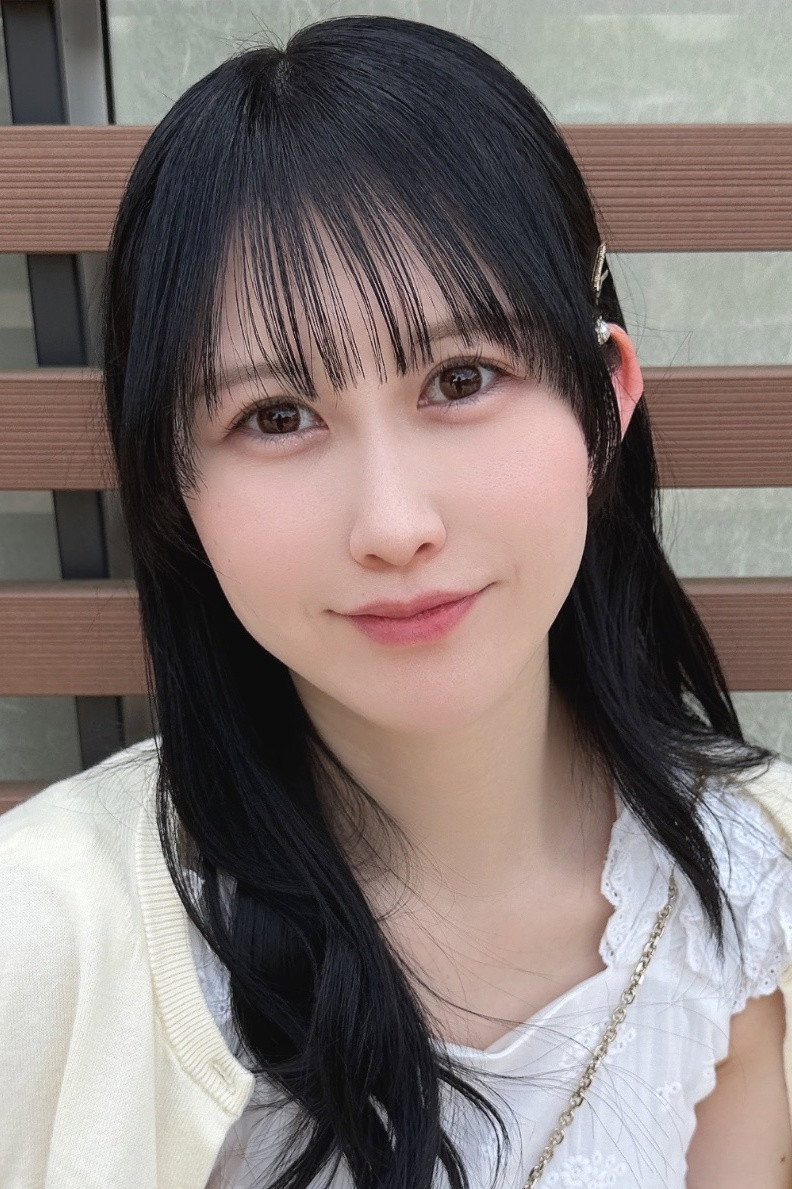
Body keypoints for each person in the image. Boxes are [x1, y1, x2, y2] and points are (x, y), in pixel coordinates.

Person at [1, 13, 792, 1188]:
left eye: (461, 379)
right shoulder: (43, 931)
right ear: (174, 487)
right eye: (277, 416)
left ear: (605, 400)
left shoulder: (757, 884)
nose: (392, 522)